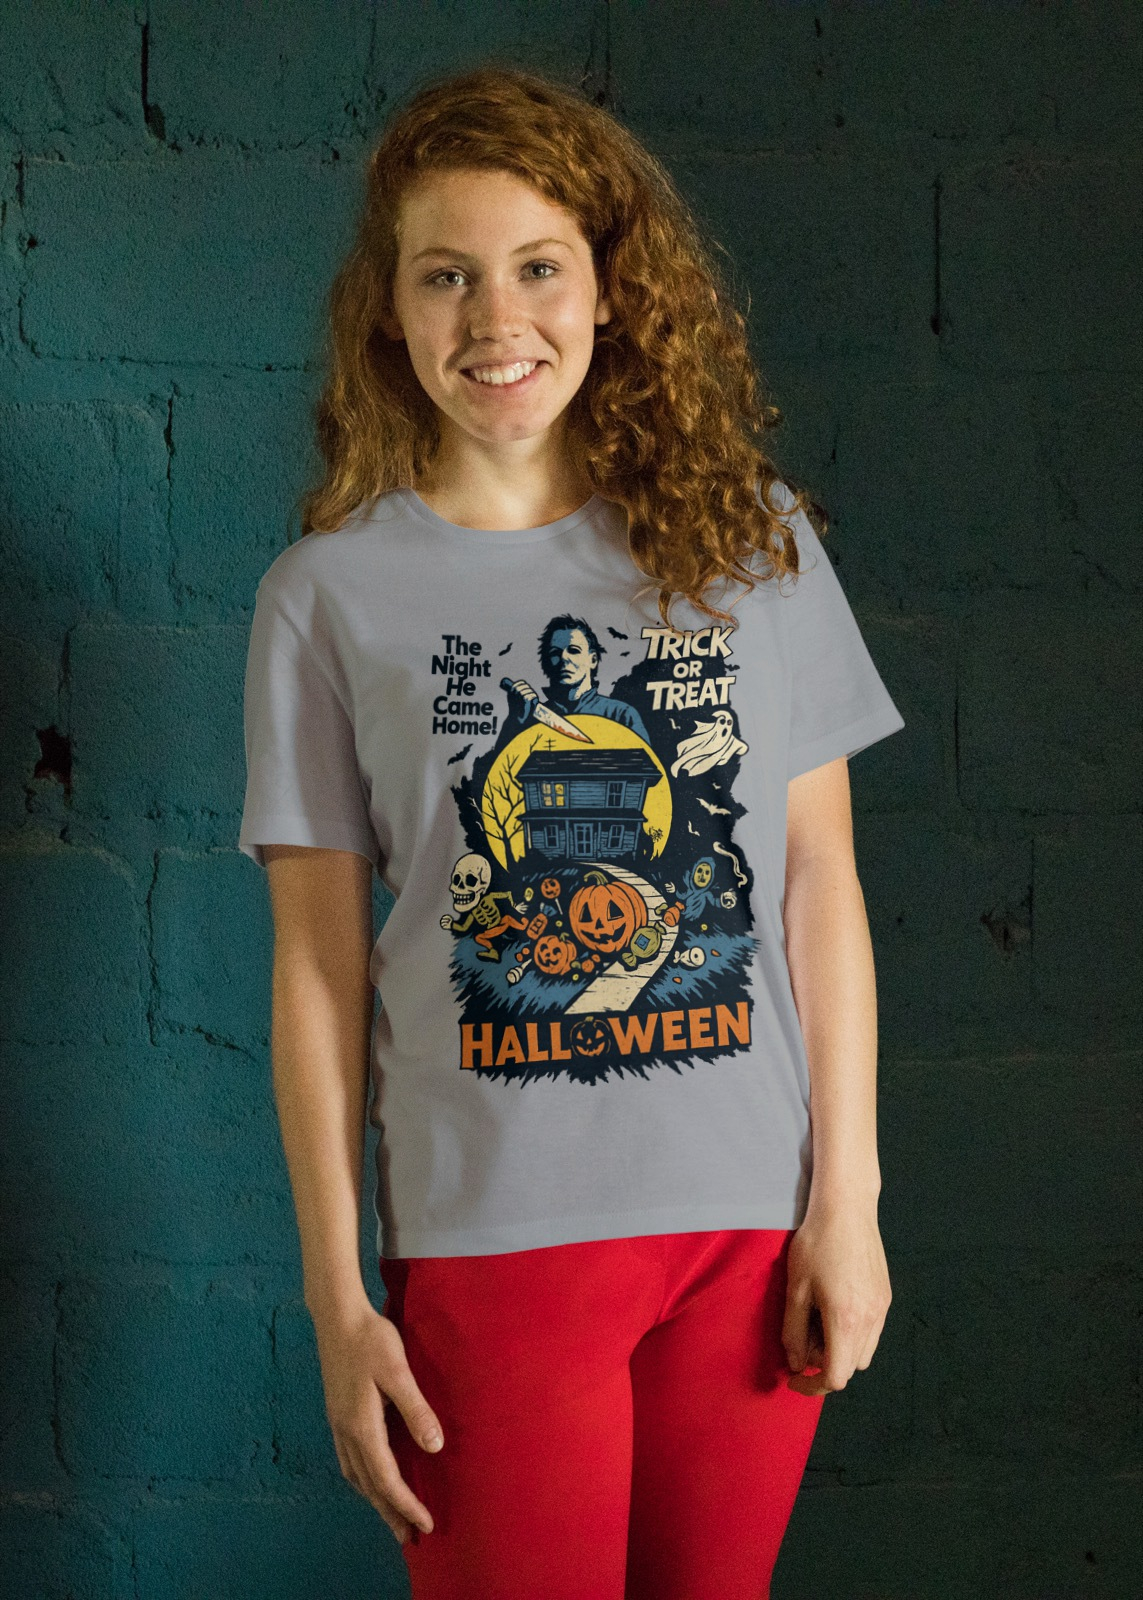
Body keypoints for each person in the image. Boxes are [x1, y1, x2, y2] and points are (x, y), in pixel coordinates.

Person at [238, 63, 905, 1600]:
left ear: (611, 289)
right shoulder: (324, 599)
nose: (498, 319)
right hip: (491, 1245)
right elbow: (318, 973)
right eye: (447, 275)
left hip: (748, 1239)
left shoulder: (751, 544)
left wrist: (848, 1202)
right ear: (389, 308)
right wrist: (339, 1301)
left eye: (539, 267)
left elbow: (818, 881)